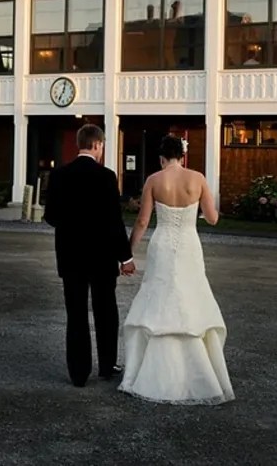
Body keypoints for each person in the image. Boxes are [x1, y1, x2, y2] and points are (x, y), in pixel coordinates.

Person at [118, 134, 235, 405]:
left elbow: (143, 221)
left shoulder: (154, 180)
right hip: (188, 245)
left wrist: (128, 252)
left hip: (162, 244)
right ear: (183, 156)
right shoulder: (197, 178)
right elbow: (213, 218)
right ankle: (198, 372)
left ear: (162, 158)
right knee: (191, 296)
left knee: (160, 298)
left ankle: (154, 373)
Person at [44, 124, 136, 388]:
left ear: (79, 144)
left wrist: (70, 225)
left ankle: (78, 372)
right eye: (102, 146)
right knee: (105, 310)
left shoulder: (59, 175)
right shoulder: (106, 177)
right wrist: (125, 257)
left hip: (71, 255)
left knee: (76, 314)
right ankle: (107, 366)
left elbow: (50, 216)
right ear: (97, 145)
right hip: (101, 256)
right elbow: (114, 221)